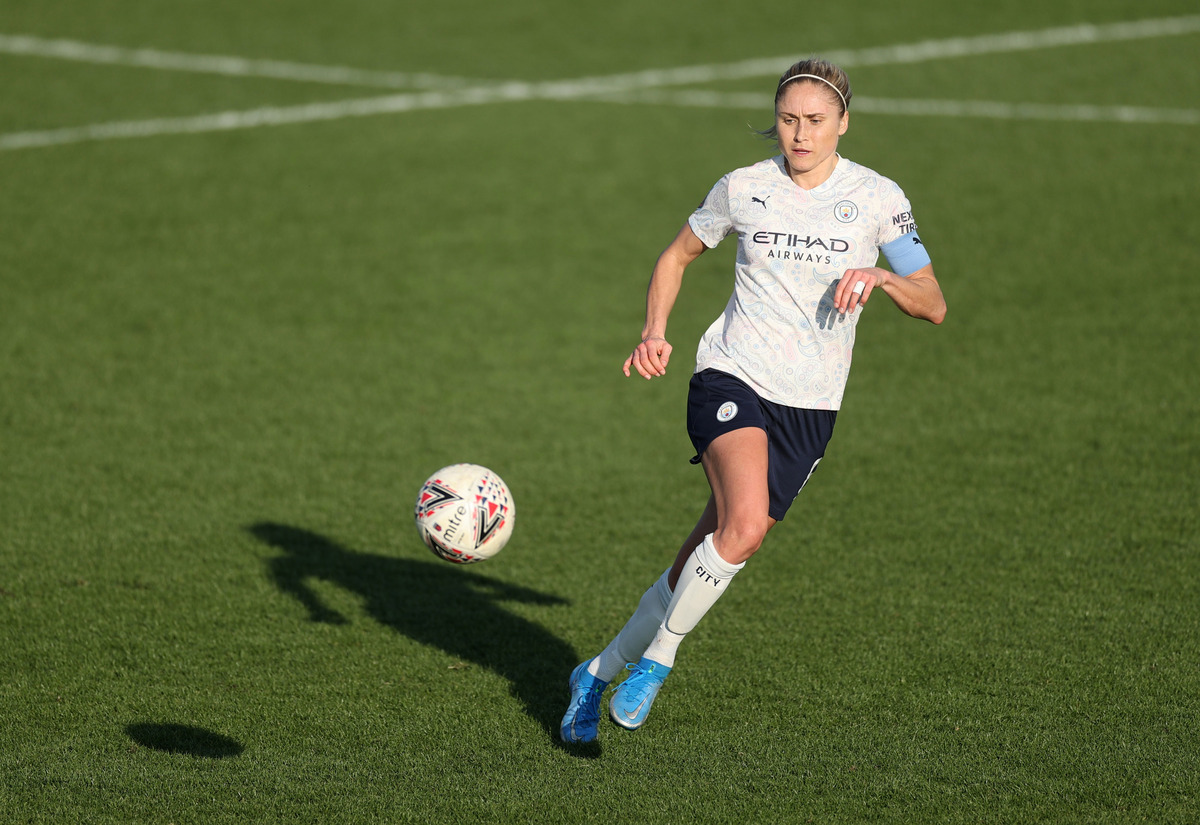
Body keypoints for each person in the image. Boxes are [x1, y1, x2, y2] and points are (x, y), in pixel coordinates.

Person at [560, 58, 946, 744]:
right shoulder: (744, 188)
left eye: (815, 121)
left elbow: (934, 302)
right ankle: (657, 662)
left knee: (702, 557)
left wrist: (883, 278)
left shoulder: (879, 197)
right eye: (789, 119)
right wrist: (654, 332)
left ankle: (595, 672)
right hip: (731, 377)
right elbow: (676, 256)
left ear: (844, 123)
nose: (800, 134)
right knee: (743, 527)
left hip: (811, 408)